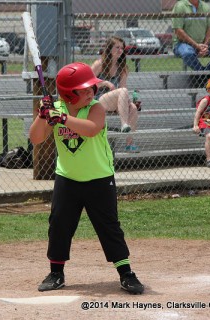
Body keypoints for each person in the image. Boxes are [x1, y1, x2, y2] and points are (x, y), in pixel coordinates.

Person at [29, 62, 144, 295]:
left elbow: (91, 128)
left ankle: (126, 273)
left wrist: (61, 118)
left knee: (108, 227)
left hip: (99, 178)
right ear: (69, 94)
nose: (91, 91)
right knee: (59, 225)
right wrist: (43, 116)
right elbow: (36, 138)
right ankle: (56, 273)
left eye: (91, 86)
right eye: (84, 89)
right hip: (67, 179)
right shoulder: (55, 109)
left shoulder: (95, 108)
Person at [91, 36, 139, 152]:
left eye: (122, 48)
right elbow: (87, 83)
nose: (120, 50)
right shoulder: (99, 64)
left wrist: (129, 102)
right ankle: (124, 124)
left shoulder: (122, 67)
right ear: (109, 49)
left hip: (113, 100)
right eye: (117, 47)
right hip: (98, 100)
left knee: (132, 107)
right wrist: (105, 83)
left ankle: (129, 144)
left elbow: (123, 88)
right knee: (123, 92)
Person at [172, 0, 210, 71]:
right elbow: (178, 31)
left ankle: (205, 75)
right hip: (182, 43)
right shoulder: (180, 6)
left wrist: (205, 46)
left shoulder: (205, 7)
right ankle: (205, 76)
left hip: (203, 43)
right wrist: (197, 46)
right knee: (188, 53)